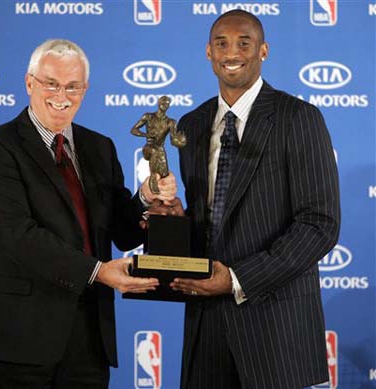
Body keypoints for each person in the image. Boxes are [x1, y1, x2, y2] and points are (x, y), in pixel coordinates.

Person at [0, 39, 176, 389]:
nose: (62, 95)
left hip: (89, 342)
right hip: (17, 342)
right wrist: (99, 271)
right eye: (51, 83)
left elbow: (121, 231)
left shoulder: (99, 147)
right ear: (29, 82)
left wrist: (146, 198)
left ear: (85, 89)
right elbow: (19, 237)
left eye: (73, 86)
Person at [170, 10, 340, 389]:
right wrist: (172, 221)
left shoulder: (299, 118)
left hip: (275, 328)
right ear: (208, 53)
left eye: (244, 43)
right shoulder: (191, 125)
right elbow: (209, 220)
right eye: (222, 43)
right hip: (207, 327)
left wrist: (236, 278)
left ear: (263, 51)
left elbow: (320, 225)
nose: (232, 52)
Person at [131, 95, 186, 194]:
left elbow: (173, 140)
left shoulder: (170, 122)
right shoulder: (148, 117)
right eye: (163, 103)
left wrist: (180, 142)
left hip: (160, 149)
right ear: (158, 103)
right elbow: (134, 130)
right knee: (154, 151)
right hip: (149, 147)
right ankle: (153, 178)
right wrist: (146, 134)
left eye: (167, 104)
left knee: (164, 175)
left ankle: (162, 201)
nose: (165, 105)